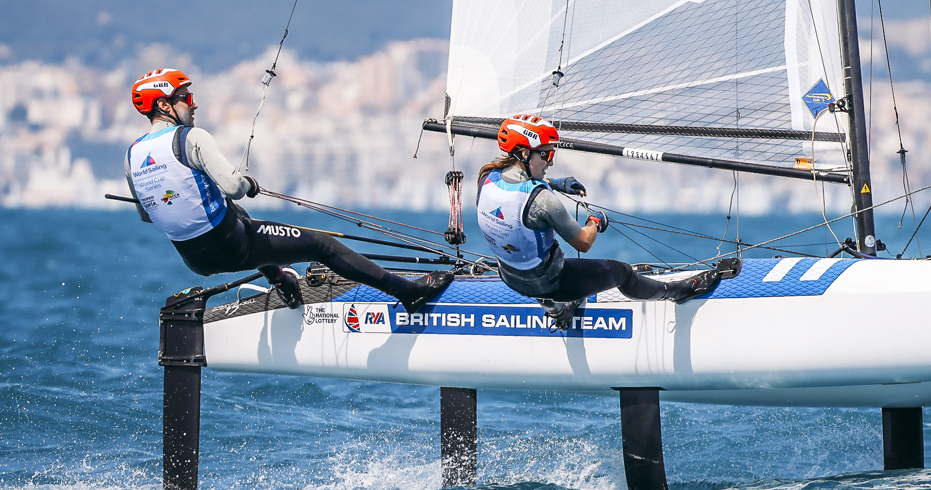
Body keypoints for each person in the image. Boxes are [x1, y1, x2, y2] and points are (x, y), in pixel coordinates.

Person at [124, 68, 452, 312]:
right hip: (233, 244)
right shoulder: (192, 138)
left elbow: (147, 215)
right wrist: (247, 184)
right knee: (322, 244)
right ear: (165, 105)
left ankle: (281, 279)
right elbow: (235, 187)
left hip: (195, 260)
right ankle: (408, 293)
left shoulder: (131, 156)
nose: (193, 106)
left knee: (239, 217)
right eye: (187, 98)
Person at [476, 114, 721, 329]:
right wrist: (594, 222)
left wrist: (557, 183)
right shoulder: (543, 201)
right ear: (524, 153)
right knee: (622, 272)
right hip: (549, 284)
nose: (551, 162)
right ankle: (678, 292)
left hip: (509, 277)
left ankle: (558, 313)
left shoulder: (487, 178)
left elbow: (517, 187)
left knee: (531, 252)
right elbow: (583, 243)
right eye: (547, 154)